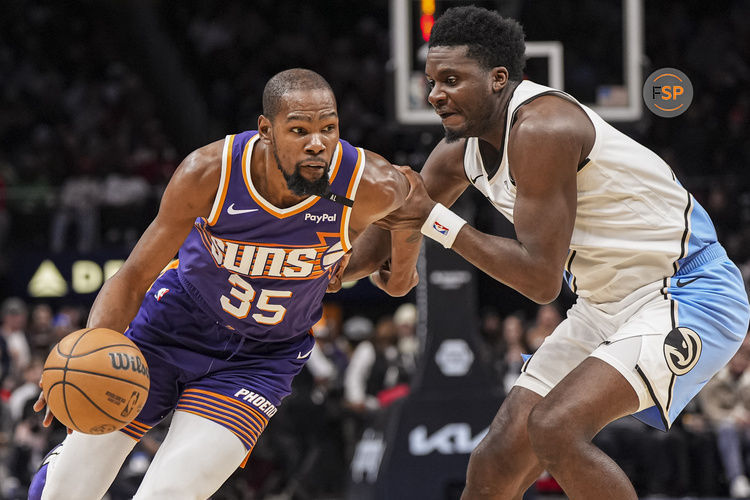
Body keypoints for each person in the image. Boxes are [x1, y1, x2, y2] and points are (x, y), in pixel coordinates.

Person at [366, 6, 750, 499]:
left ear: (498, 79)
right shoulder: (455, 152)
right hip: (603, 305)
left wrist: (435, 222)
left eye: (452, 79)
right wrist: (321, 266)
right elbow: (385, 232)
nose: (435, 94)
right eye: (432, 80)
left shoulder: (542, 127)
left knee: (556, 427)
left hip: (688, 291)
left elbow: (540, 281)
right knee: (494, 462)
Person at [29, 68, 418, 500]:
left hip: (261, 359)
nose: (317, 142)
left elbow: (412, 200)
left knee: (169, 492)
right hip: (169, 330)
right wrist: (84, 351)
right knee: (67, 488)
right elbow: (134, 276)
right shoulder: (210, 172)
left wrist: (390, 271)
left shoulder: (369, 183)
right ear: (266, 131)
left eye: (329, 128)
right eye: (299, 130)